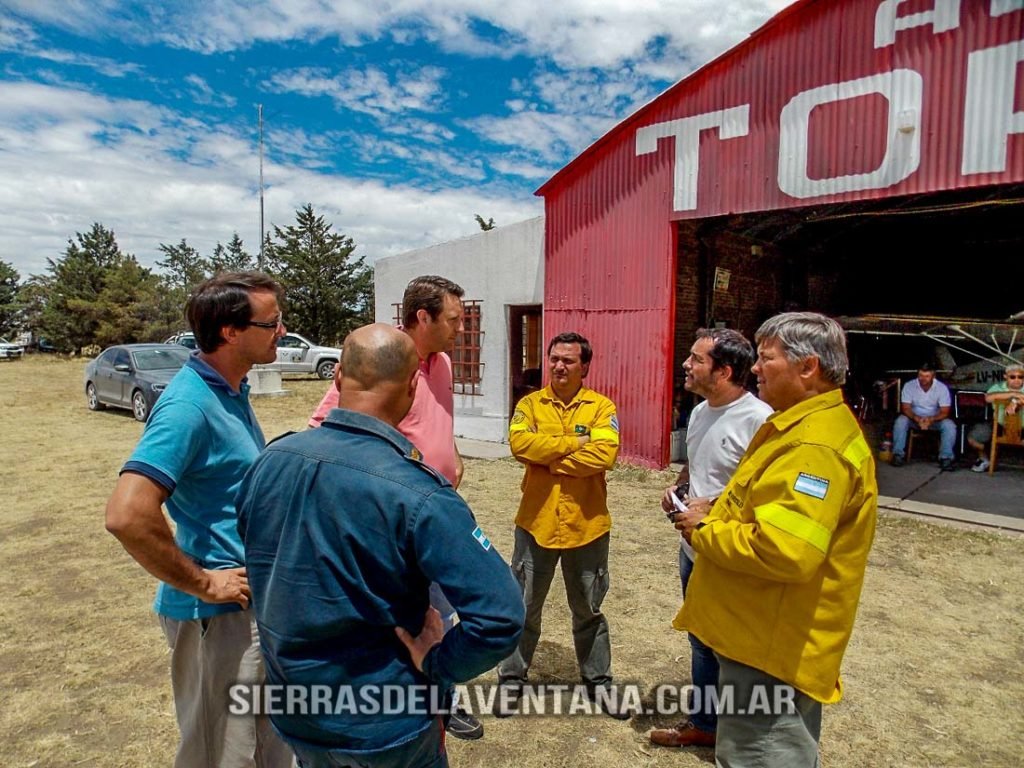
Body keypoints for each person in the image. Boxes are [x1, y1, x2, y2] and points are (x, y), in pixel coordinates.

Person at [236, 324, 524, 768]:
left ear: (337, 380)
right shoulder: (419, 493)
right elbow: (501, 618)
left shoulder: (270, 461)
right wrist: (440, 663)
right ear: (414, 386)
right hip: (387, 726)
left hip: (296, 711)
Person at [104, 272, 293, 768]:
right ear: (231, 332)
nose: (282, 330)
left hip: (251, 608)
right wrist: (205, 582)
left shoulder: (231, 389)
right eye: (272, 323)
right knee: (221, 756)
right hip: (216, 619)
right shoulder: (188, 405)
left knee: (270, 746)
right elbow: (127, 513)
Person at [675, 311, 878, 767]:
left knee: (760, 753)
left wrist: (705, 529)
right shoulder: (798, 426)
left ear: (808, 367)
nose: (755, 368)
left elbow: (786, 551)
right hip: (761, 633)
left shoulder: (814, 447)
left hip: (771, 649)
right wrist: (717, 508)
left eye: (766, 358)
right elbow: (765, 505)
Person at [307, 275, 481, 739]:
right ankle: (411, 705)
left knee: (443, 613)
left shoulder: (440, 363)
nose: (459, 330)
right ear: (421, 317)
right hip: (398, 517)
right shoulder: (382, 361)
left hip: (439, 510)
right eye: (453, 319)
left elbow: (437, 420)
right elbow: (328, 426)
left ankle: (443, 699)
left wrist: (452, 456)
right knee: (408, 615)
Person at [649, 328, 772, 750]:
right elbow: (698, 468)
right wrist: (679, 489)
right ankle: (705, 722)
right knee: (700, 639)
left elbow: (763, 491)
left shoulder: (760, 420)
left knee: (735, 645)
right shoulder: (700, 411)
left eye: (696, 359)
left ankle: (741, 735)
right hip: (693, 549)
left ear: (724, 370)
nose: (686, 364)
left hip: (731, 554)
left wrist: (712, 506)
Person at [496, 332, 626, 718]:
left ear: (585, 366)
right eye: (554, 358)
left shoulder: (602, 407)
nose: (559, 366)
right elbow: (520, 444)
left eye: (569, 360)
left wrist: (549, 456)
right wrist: (574, 443)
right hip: (536, 522)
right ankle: (512, 678)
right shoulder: (531, 404)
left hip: (587, 525)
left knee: (588, 608)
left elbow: (605, 453)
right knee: (523, 606)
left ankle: (598, 681)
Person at [890, 362, 957, 470]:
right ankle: (898, 455)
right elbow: (906, 408)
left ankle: (946, 458)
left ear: (933, 376)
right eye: (921, 375)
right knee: (900, 421)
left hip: (934, 419)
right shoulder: (909, 385)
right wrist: (917, 418)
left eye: (927, 376)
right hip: (914, 418)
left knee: (949, 425)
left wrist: (931, 419)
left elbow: (945, 411)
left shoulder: (942, 388)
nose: (923, 379)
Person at [966, 362, 1024, 472]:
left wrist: (1015, 402)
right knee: (973, 437)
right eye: (1012, 377)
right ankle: (984, 459)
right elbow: (988, 398)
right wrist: (1014, 395)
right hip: (999, 424)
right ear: (1006, 377)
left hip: (1022, 426)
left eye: (1020, 377)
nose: (1017, 379)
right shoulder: (997, 387)